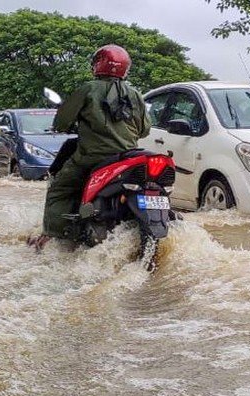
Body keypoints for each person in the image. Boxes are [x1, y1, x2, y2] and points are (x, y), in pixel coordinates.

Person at [28, 44, 151, 250]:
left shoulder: (87, 90)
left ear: (98, 65)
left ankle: (49, 237)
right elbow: (144, 130)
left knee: (59, 189)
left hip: (92, 157)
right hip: (127, 158)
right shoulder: (135, 94)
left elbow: (61, 123)